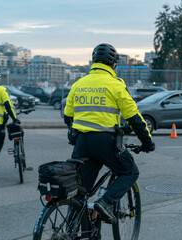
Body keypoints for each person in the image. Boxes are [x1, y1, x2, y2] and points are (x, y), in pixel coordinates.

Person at [63, 43, 155, 224]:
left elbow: (68, 116)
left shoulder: (79, 84)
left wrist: (75, 132)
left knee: (81, 191)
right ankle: (105, 203)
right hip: (104, 141)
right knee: (130, 171)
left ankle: (70, 228)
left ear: (93, 62)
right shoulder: (116, 85)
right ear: (113, 64)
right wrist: (147, 142)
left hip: (82, 142)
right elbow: (134, 118)